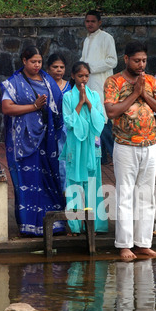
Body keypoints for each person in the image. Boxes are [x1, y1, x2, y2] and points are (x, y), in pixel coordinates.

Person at [104, 41, 156, 260]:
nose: (141, 64)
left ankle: (143, 243)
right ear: (126, 59)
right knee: (125, 194)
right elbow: (111, 111)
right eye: (136, 60)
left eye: (144, 60)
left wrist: (145, 94)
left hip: (150, 146)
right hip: (125, 146)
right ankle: (124, 245)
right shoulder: (113, 82)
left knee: (147, 196)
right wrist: (134, 94)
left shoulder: (150, 81)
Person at [1, 45, 65, 236]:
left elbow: (58, 107)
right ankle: (29, 226)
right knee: (28, 181)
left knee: (48, 179)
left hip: (47, 139)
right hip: (23, 142)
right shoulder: (14, 82)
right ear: (24, 61)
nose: (37, 65)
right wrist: (33, 106)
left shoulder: (48, 81)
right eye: (33, 62)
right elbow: (6, 108)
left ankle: (55, 225)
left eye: (39, 62)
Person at [60, 61, 108, 235]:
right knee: (74, 184)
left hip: (91, 146)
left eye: (86, 76)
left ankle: (94, 226)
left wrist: (88, 102)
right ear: (73, 76)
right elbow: (69, 122)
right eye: (80, 76)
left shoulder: (94, 96)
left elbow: (100, 120)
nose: (84, 79)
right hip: (74, 146)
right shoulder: (67, 97)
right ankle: (75, 226)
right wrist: (80, 103)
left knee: (93, 184)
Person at [80, 9, 117, 165]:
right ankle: (99, 156)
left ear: (99, 23)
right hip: (87, 84)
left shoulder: (106, 38)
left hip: (101, 84)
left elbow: (112, 61)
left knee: (102, 120)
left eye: (93, 21)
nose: (89, 24)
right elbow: (83, 61)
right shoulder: (86, 40)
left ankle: (114, 155)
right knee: (92, 120)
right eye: (87, 21)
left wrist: (89, 67)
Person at [47, 53, 71, 193]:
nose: (59, 70)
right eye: (55, 67)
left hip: (65, 129)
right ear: (48, 69)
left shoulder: (69, 87)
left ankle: (65, 193)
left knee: (65, 161)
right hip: (48, 129)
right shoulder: (45, 85)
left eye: (61, 67)